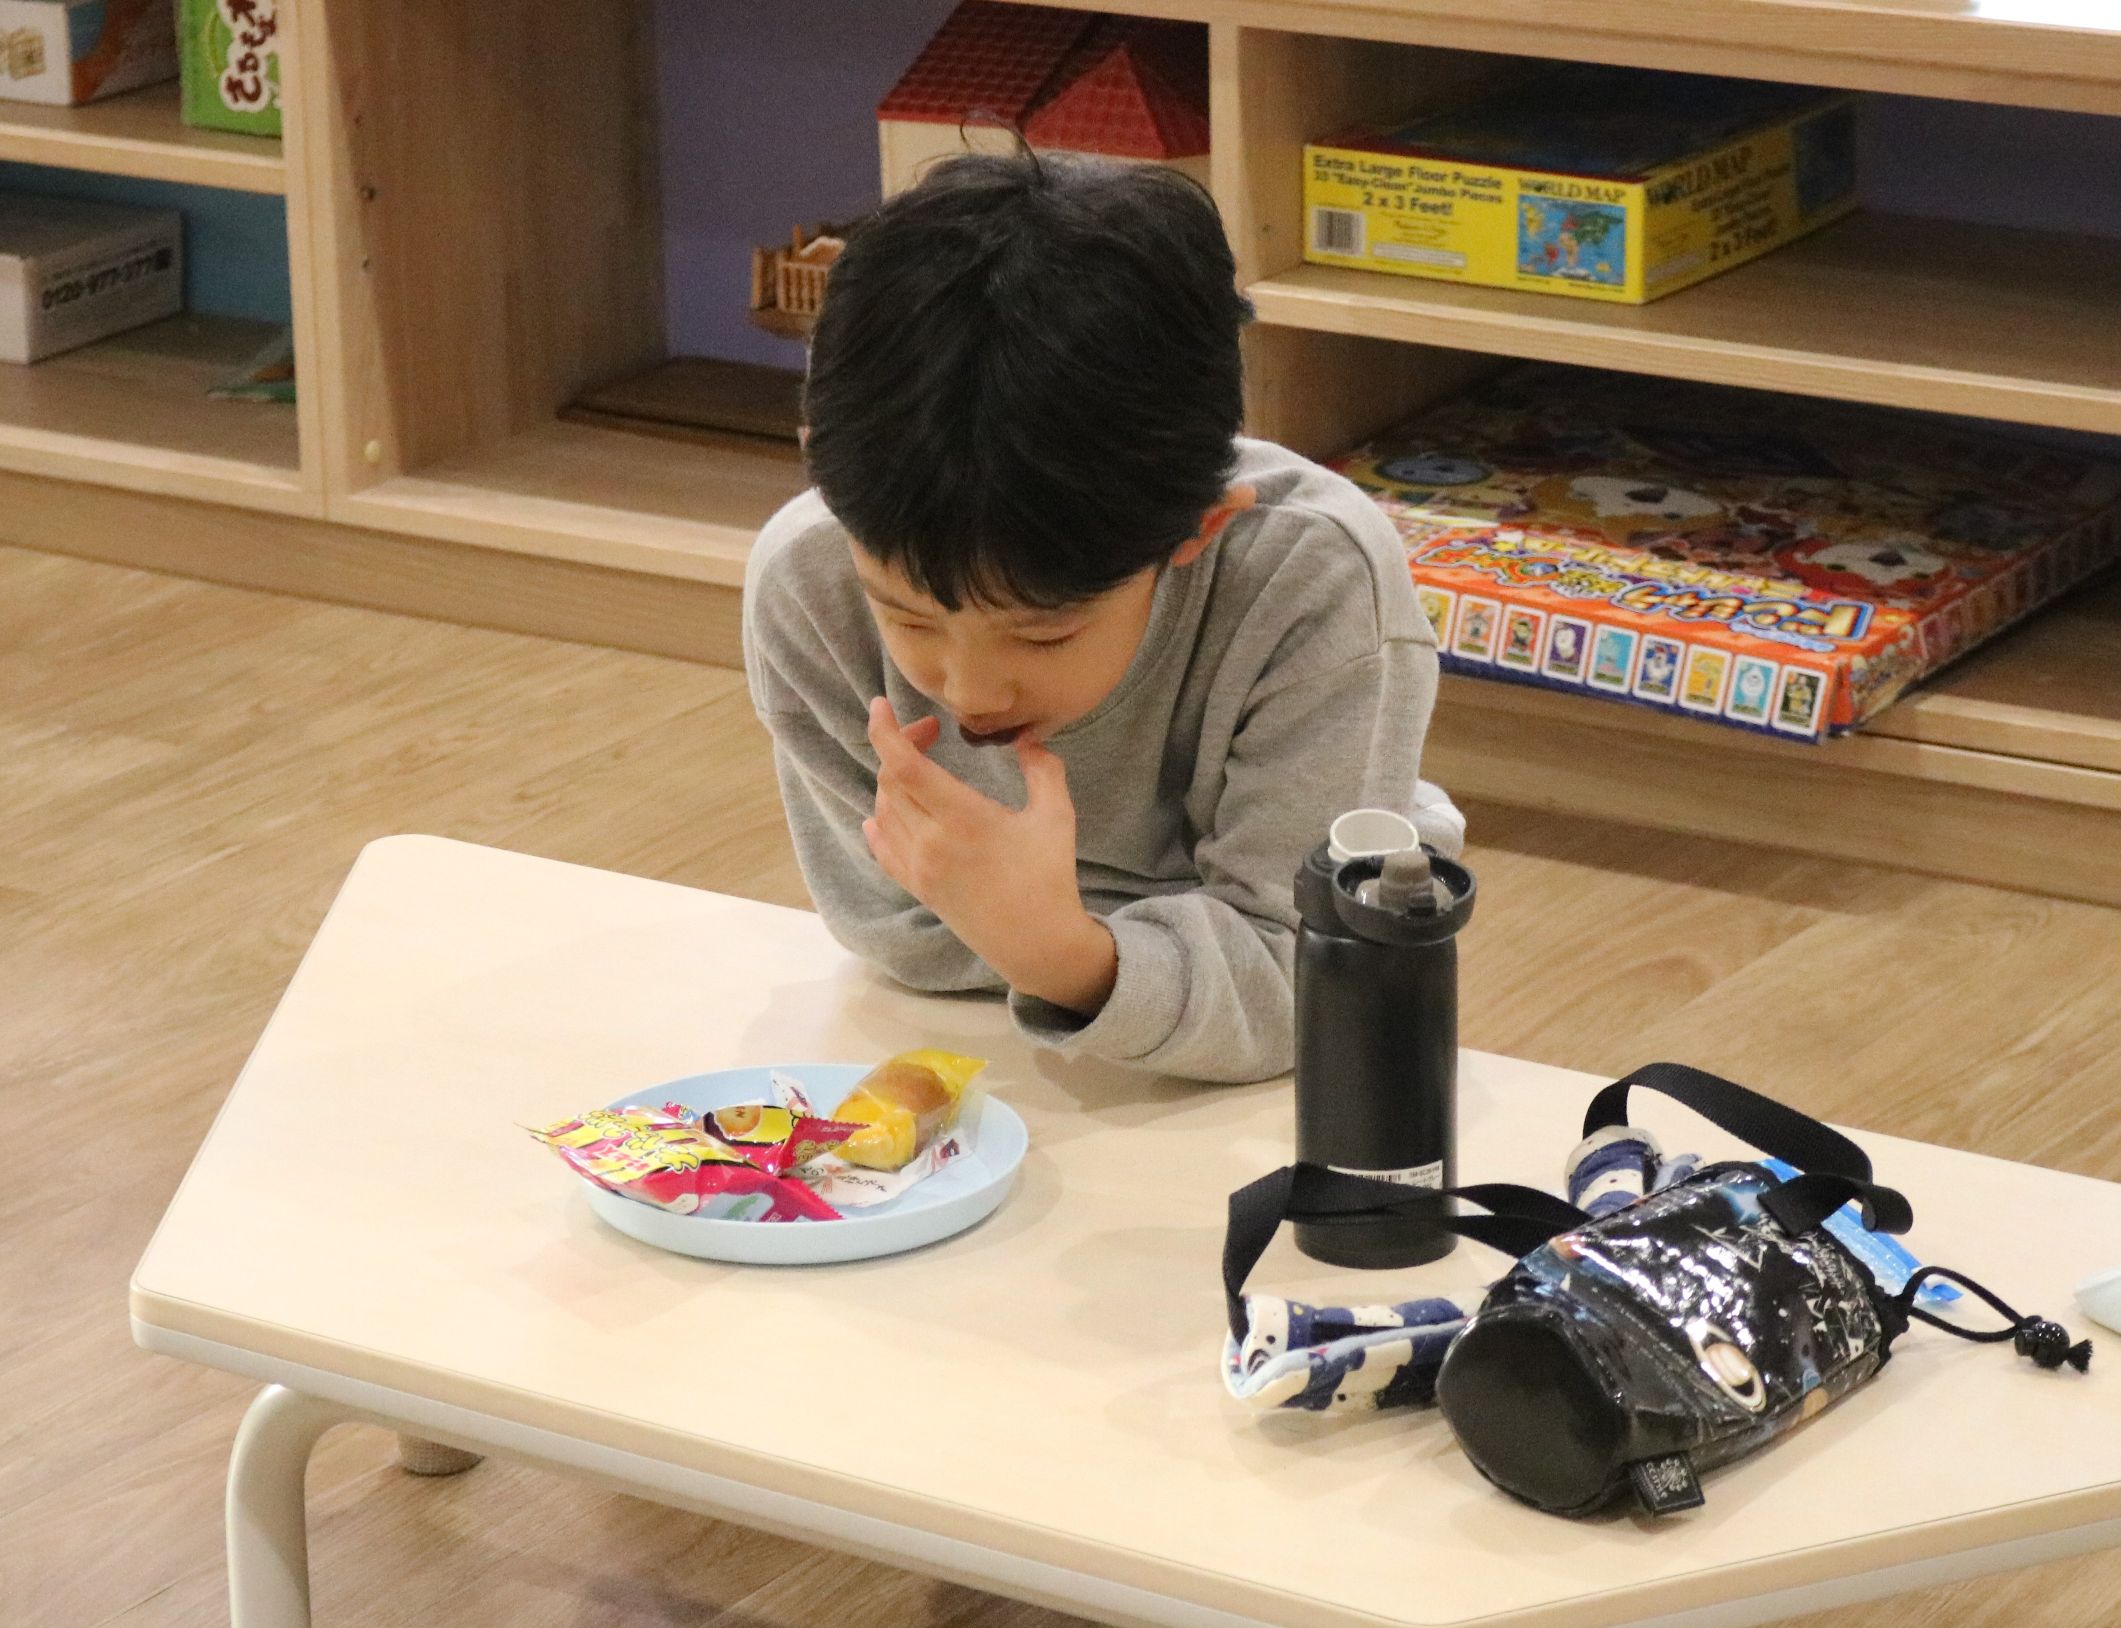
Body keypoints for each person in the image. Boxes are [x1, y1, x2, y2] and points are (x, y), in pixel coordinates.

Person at [743, 150, 1460, 1084]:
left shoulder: (1311, 577)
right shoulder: (810, 579)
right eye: (907, 618)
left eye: (1043, 632)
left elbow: (1317, 981)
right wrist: (1149, 956)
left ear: (1198, 530)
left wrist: (1058, 950)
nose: (968, 690)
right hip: (983, 1038)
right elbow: (898, 932)